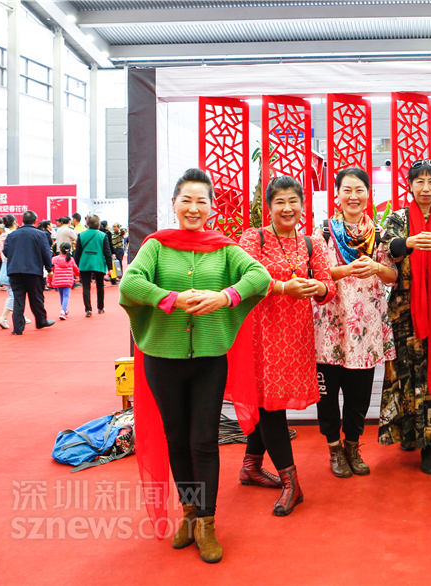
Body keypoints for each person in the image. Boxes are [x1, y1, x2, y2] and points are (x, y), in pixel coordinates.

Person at [119, 168, 271, 563]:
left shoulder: (224, 249)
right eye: (186, 199)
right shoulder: (155, 246)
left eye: (201, 200)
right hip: (162, 359)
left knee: (203, 439)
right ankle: (188, 511)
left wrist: (225, 297)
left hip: (208, 359)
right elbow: (129, 284)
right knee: (176, 438)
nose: (193, 207)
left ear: (211, 207)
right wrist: (169, 299)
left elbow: (259, 276)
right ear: (174, 204)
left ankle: (206, 521)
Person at [237, 175, 334, 515]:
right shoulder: (254, 237)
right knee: (269, 406)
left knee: (268, 401)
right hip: (260, 335)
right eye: (280, 201)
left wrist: (318, 288)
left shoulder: (311, 243)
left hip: (295, 337)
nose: (287, 207)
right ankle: (291, 482)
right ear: (269, 207)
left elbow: (328, 285)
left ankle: (251, 465)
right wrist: (282, 288)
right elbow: (245, 281)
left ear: (303, 205)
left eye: (293, 200)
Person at [378, 159, 431, 474]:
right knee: (407, 372)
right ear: (410, 185)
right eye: (420, 181)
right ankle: (408, 433)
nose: (426, 188)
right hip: (405, 310)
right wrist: (408, 243)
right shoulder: (398, 218)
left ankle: (430, 445)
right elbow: (389, 246)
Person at [313, 168, 396, 478]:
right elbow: (315, 274)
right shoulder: (322, 232)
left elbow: (392, 276)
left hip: (365, 328)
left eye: (359, 190)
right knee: (328, 394)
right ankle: (334, 449)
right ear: (337, 195)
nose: (353, 196)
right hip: (330, 325)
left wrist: (376, 267)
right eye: (346, 190)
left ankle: (352, 446)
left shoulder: (379, 234)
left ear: (367, 194)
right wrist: (346, 271)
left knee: (359, 395)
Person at [3, 211, 56, 334]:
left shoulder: (12, 235)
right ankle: (41, 321)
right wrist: (49, 268)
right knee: (36, 298)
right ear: (35, 221)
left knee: (18, 299)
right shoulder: (40, 234)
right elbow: (46, 253)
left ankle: (18, 328)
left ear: (22, 221)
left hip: (15, 270)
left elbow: (6, 251)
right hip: (33, 270)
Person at [74, 214, 114, 317]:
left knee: (86, 287)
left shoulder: (81, 235)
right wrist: (110, 267)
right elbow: (107, 252)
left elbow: (77, 252)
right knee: (100, 286)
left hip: (85, 263)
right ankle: (100, 308)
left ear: (87, 224)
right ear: (98, 224)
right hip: (98, 263)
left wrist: (75, 265)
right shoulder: (103, 235)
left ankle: (88, 310)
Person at [0, 215, 30, 329]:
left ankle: (20, 315)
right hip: (13, 266)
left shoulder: (3, 235)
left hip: (6, 265)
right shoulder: (12, 235)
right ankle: (3, 317)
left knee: (13, 293)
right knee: (14, 295)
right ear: (14, 222)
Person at [50, 242, 79, 319]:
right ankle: (63, 311)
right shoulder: (71, 259)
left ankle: (65, 310)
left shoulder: (54, 259)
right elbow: (76, 269)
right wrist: (77, 274)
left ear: (60, 250)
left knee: (62, 296)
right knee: (66, 296)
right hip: (68, 280)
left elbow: (51, 270)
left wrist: (49, 280)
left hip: (58, 279)